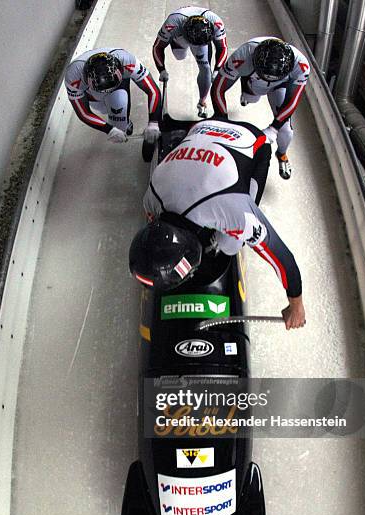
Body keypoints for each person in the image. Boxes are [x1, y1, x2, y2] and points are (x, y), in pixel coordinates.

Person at [129, 118, 306, 329]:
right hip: (201, 129)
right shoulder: (151, 199)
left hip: (250, 139)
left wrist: (296, 306)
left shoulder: (235, 213)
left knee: (230, 246)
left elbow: (281, 256)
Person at [211, 37, 310, 179]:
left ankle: (281, 154)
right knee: (252, 99)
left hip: (280, 86)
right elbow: (218, 89)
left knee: (286, 131)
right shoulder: (242, 55)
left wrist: (274, 128)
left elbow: (293, 99)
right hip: (254, 82)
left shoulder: (301, 65)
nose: (269, 78)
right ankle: (246, 91)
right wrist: (222, 121)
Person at [64, 48, 161, 143]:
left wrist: (153, 122)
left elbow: (152, 90)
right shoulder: (73, 76)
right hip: (92, 93)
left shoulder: (127, 61)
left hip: (117, 87)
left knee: (120, 120)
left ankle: (124, 122)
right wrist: (109, 129)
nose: (107, 91)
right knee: (105, 111)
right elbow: (83, 112)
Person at [152, 7, 228, 118]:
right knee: (180, 56)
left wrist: (217, 70)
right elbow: (157, 47)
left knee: (206, 68)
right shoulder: (172, 24)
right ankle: (179, 42)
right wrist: (161, 69)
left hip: (201, 41)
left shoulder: (216, 22)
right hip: (180, 37)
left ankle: (202, 101)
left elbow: (223, 47)